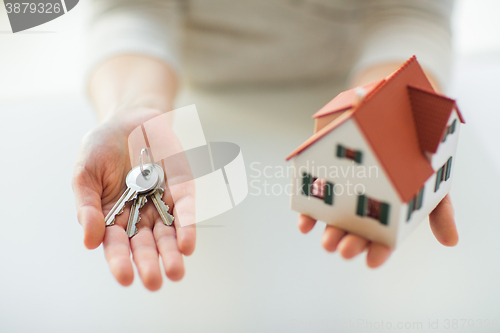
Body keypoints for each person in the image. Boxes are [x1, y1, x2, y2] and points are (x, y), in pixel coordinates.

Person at [72, 0, 458, 291]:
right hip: (199, 105)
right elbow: (129, 9)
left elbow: (412, 12)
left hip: (346, 94)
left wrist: (392, 109)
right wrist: (134, 105)